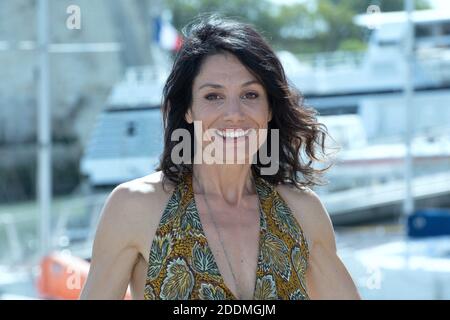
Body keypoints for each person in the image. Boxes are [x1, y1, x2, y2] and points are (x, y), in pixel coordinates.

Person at [80, 14, 360, 300]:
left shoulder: (302, 212)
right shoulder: (134, 207)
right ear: (188, 110)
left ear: (270, 109)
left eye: (250, 95)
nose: (234, 115)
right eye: (213, 96)